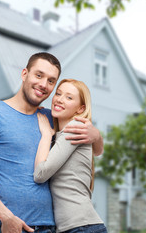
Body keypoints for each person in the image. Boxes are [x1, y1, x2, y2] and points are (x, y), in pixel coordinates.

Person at [0, 52, 104, 233]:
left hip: (52, 227)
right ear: (25, 74)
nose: (43, 84)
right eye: (39, 75)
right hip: (10, 226)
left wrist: (96, 135)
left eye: (51, 81)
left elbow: (95, 151)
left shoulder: (51, 117)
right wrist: (6, 217)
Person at [34, 79, 107, 233]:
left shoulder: (75, 128)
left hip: (81, 227)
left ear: (80, 109)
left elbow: (40, 174)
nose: (59, 99)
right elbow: (98, 151)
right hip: (76, 226)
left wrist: (46, 135)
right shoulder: (63, 133)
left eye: (69, 97)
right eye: (58, 93)